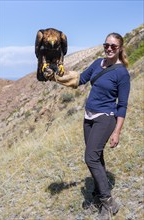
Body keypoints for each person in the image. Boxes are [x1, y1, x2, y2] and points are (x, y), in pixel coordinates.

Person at [50, 32, 130, 220]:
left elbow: (122, 105)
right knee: (97, 156)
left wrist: (117, 131)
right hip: (89, 117)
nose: (109, 48)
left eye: (113, 46)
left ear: (120, 49)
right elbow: (79, 80)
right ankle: (98, 193)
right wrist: (56, 74)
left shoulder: (122, 73)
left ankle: (109, 202)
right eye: (106, 45)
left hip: (105, 118)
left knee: (90, 157)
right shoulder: (97, 63)